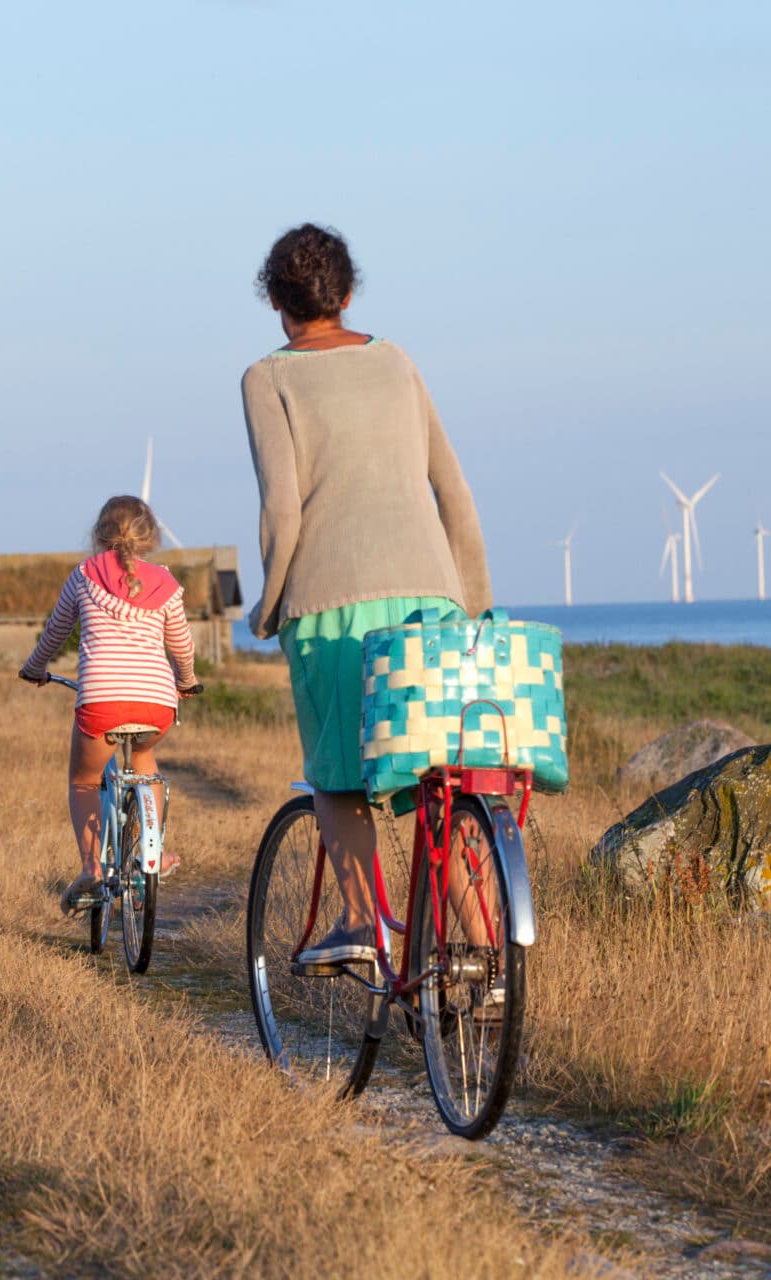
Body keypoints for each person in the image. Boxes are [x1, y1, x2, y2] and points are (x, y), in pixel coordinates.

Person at [242, 224, 492, 965]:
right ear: (348, 295)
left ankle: (360, 923)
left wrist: (268, 605)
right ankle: (484, 954)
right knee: (434, 781)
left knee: (339, 779)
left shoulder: (268, 378)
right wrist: (472, 602)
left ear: (277, 304)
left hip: (330, 603)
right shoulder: (397, 362)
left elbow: (282, 510)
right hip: (431, 597)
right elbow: (453, 491)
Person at [19, 496, 199, 914]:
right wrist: (187, 681)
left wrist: (34, 667)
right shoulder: (167, 584)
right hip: (157, 704)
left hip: (101, 702)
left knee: (84, 781)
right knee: (145, 762)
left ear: (99, 534)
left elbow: (55, 632)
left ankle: (92, 870)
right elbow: (182, 647)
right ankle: (154, 850)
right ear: (150, 536)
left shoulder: (84, 575)